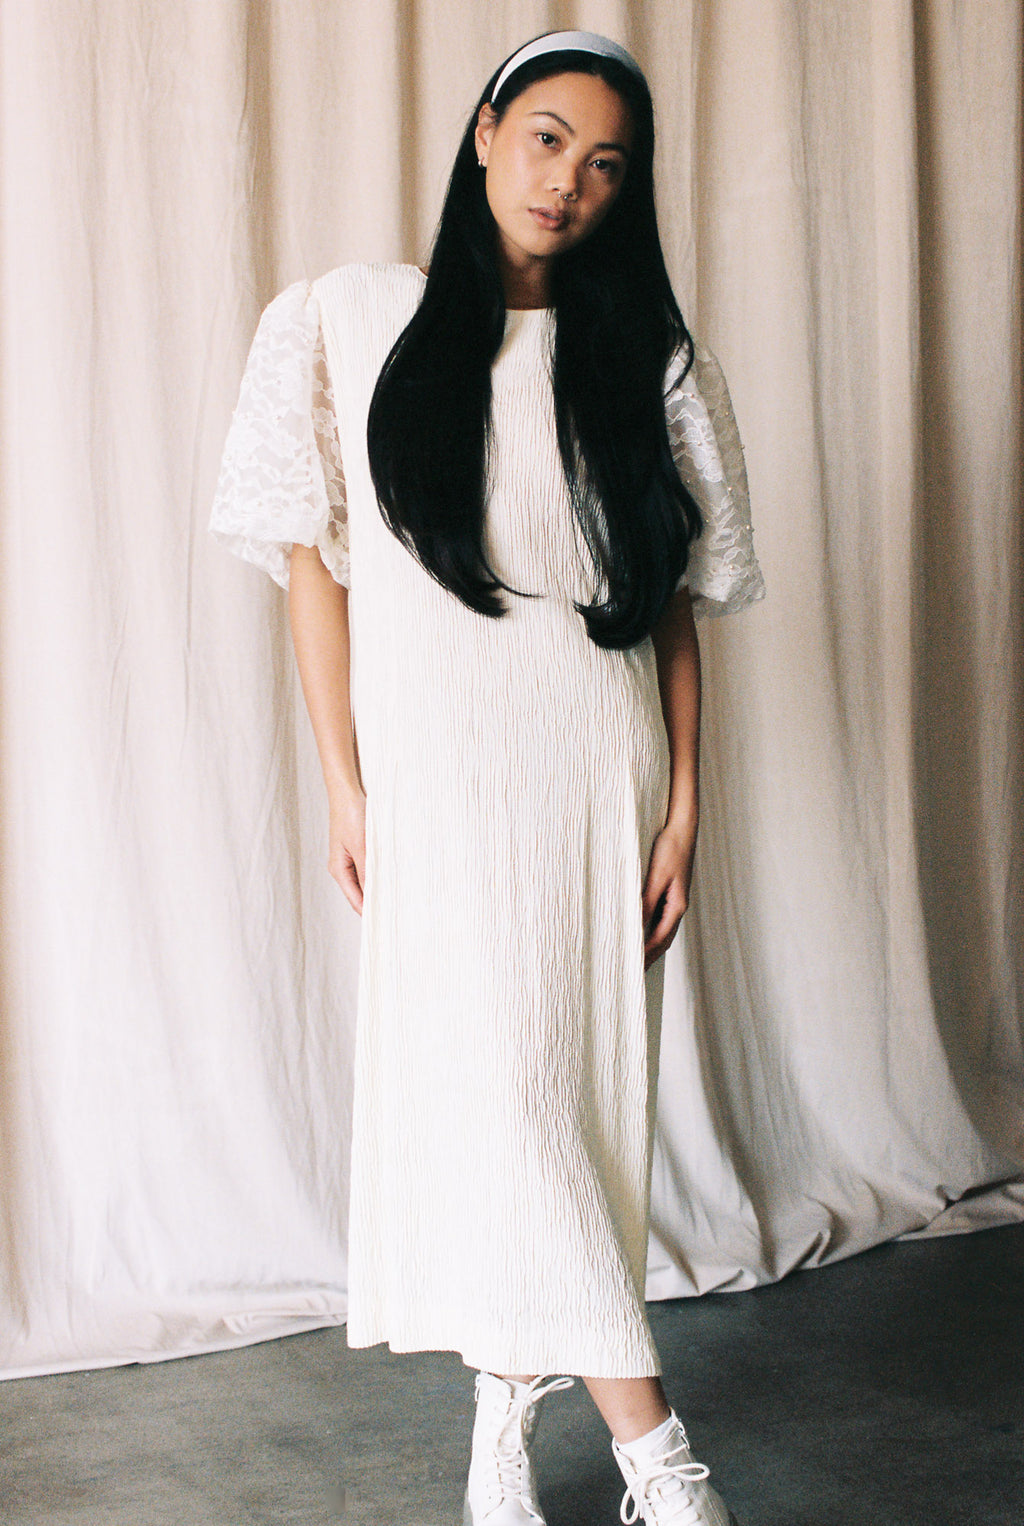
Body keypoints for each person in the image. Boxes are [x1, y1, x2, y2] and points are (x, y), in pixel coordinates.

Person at [209, 29, 764, 1526]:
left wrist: (686, 805)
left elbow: (672, 604)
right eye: (548, 139)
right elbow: (311, 568)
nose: (570, 181)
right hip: (441, 783)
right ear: (485, 131)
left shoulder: (645, 362)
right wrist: (345, 783)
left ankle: (499, 1432)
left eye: (608, 165)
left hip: (598, 771)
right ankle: (660, 1459)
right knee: (514, 1102)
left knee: (562, 1110)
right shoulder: (348, 319)